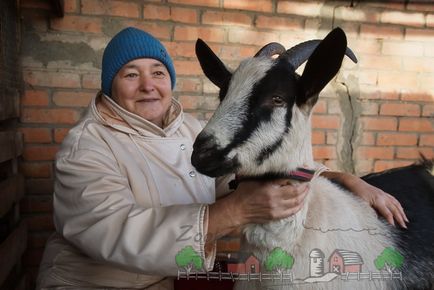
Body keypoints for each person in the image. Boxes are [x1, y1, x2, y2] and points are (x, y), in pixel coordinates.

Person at [36, 27, 408, 290]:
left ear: (170, 81)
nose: (149, 85)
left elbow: (251, 167)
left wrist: (345, 179)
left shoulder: (187, 131)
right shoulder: (85, 148)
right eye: (131, 74)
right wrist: (236, 212)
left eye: (159, 72)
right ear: (110, 86)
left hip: (174, 281)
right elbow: (114, 233)